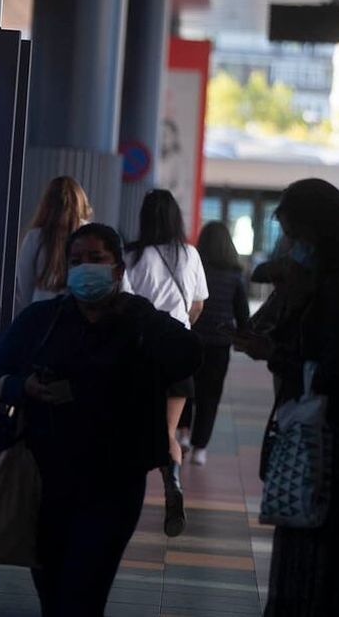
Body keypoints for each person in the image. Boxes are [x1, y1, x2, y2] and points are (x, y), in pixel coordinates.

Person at [0, 223, 201, 615]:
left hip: (114, 484)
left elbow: (187, 357)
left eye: (96, 259)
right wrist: (24, 386)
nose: (84, 269)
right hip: (44, 480)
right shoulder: (43, 320)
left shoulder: (137, 320)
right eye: (76, 261)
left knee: (83, 595)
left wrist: (140, 313)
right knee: (53, 593)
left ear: (117, 269)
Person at [231, 179, 339, 616]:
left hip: (332, 446)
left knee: (316, 557)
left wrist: (278, 354)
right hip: (311, 440)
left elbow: (336, 366)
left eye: (295, 234)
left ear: (318, 231)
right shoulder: (312, 284)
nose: (290, 245)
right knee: (301, 542)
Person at [124, 189, 207, 537]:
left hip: (140, 352)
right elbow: (198, 304)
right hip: (176, 351)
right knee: (168, 431)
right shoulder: (189, 255)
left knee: (130, 428)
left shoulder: (132, 255)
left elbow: (125, 304)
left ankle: (126, 497)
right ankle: (172, 484)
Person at [176, 221, 249, 466]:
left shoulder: (195, 268)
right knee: (210, 396)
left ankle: (183, 433)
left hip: (192, 337)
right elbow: (242, 313)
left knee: (187, 387)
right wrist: (243, 337)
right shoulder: (235, 275)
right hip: (219, 344)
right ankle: (200, 449)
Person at [14, 175, 93, 311]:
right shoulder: (91, 234)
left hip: (40, 315)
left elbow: (23, 287)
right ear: (81, 203)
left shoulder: (35, 237)